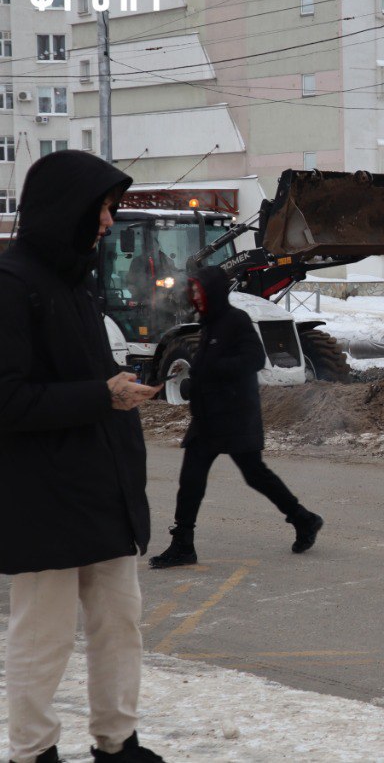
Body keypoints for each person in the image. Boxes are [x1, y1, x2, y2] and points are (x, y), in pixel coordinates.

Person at [0, 151, 168, 763]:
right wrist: (101, 394)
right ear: (63, 209)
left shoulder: (74, 283)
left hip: (103, 488)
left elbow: (78, 379)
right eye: (101, 207)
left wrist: (112, 387)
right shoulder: (12, 285)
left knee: (119, 625)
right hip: (43, 497)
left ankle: (117, 742)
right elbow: (8, 399)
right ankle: (32, 751)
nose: (107, 221)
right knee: (42, 638)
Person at [149, 266, 323, 567]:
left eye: (197, 289)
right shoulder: (209, 324)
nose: (193, 295)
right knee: (191, 480)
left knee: (256, 475)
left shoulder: (235, 320)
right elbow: (207, 367)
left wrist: (212, 372)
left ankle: (303, 518)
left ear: (211, 292)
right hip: (207, 419)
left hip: (235, 416)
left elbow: (254, 358)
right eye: (192, 290)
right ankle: (183, 544)